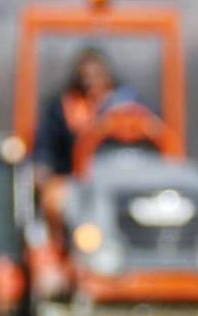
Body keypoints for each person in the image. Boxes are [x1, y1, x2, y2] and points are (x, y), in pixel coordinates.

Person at [33, 48, 136, 244]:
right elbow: (46, 145)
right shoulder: (62, 107)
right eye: (85, 76)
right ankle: (61, 246)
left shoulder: (127, 105)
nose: (91, 81)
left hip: (120, 177)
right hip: (73, 179)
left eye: (96, 75)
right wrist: (42, 166)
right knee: (55, 201)